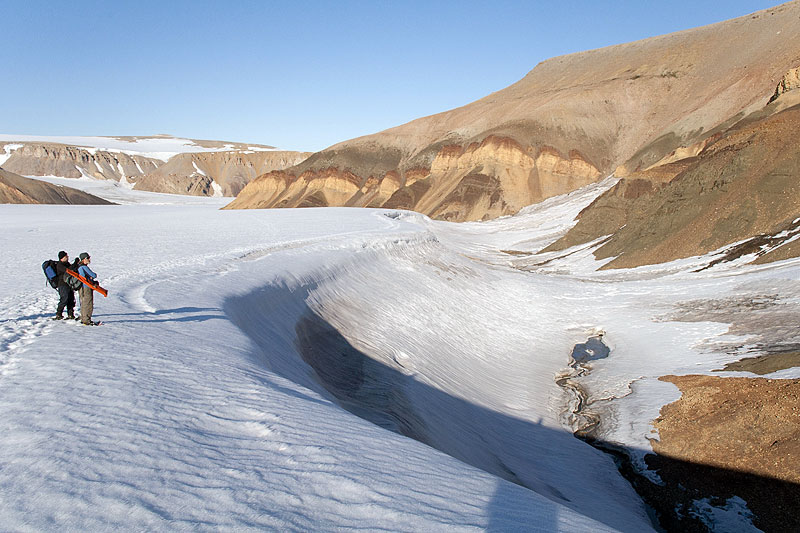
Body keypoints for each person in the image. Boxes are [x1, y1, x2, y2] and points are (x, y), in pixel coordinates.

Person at [76, 252, 99, 326]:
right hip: (87, 287)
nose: (89, 259)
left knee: (83, 303)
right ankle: (87, 320)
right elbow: (94, 275)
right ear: (84, 259)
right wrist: (92, 277)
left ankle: (83, 318)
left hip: (81, 287)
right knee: (88, 303)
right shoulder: (84, 267)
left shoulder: (79, 266)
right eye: (88, 258)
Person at [53, 250, 77, 320]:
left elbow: (72, 269)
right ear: (62, 258)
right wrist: (75, 263)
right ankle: (59, 314)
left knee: (71, 299)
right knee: (64, 299)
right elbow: (68, 271)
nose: (67, 257)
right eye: (66, 256)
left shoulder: (67, 264)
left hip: (69, 284)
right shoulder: (60, 265)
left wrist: (76, 264)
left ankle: (70, 314)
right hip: (62, 284)